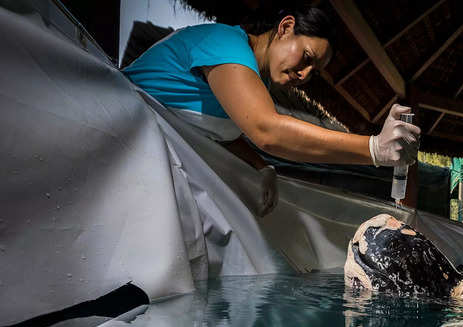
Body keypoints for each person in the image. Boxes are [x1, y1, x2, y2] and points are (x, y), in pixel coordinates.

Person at [122, 6, 420, 216]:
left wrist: (261, 166)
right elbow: (268, 130)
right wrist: (373, 148)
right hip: (113, 134)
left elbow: (215, 130)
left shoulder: (250, 81)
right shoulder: (224, 41)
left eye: (313, 71)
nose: (304, 74)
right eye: (306, 57)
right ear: (286, 28)